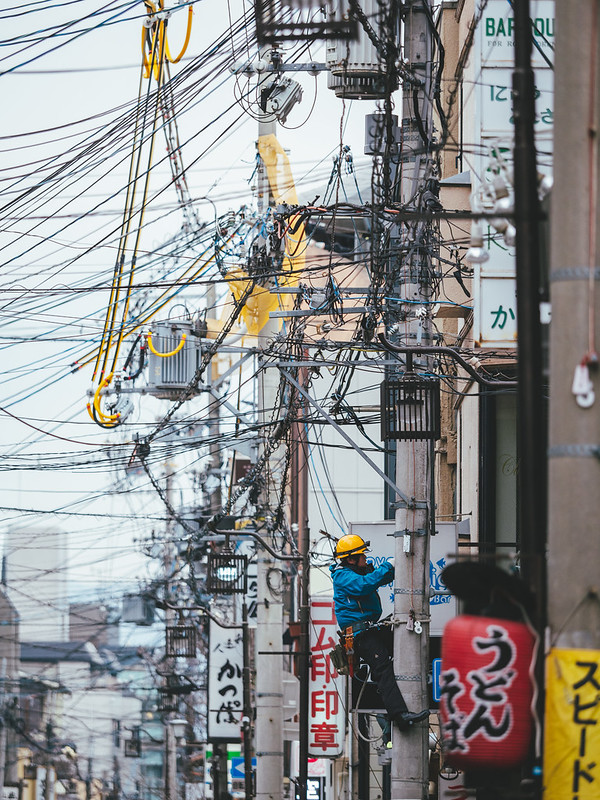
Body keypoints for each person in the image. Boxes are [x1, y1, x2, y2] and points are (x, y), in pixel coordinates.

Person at [330, 533, 429, 731]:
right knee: (382, 667)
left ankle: (401, 691)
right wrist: (389, 565)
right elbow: (365, 585)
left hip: (368, 629)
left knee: (405, 639)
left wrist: (398, 566)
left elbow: (376, 578)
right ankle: (400, 715)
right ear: (351, 559)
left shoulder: (354, 572)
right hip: (360, 634)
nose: (365, 559)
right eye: (362, 556)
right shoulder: (343, 576)